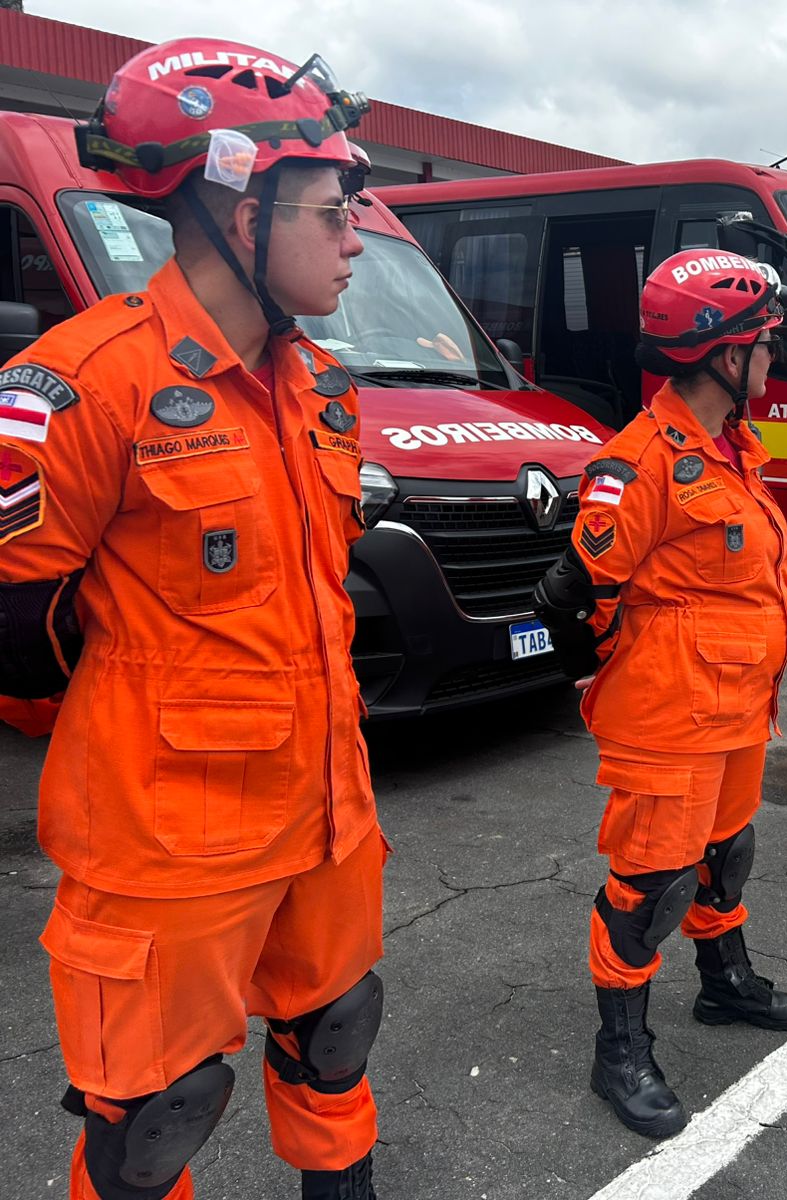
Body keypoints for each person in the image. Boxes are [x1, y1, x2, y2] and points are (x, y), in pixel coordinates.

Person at [0, 40, 386, 1200]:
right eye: (334, 211)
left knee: (335, 1041)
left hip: (328, 815)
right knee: (149, 1126)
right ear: (238, 209)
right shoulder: (82, 385)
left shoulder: (320, 388)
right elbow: (15, 632)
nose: (356, 239)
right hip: (169, 848)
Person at [532, 249, 787, 1138]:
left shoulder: (735, 447)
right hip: (670, 713)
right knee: (649, 884)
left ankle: (725, 983)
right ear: (725, 354)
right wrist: (608, 670)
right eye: (764, 342)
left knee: (724, 854)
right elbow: (575, 589)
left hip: (738, 703)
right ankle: (619, 1048)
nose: (774, 357)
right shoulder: (640, 462)